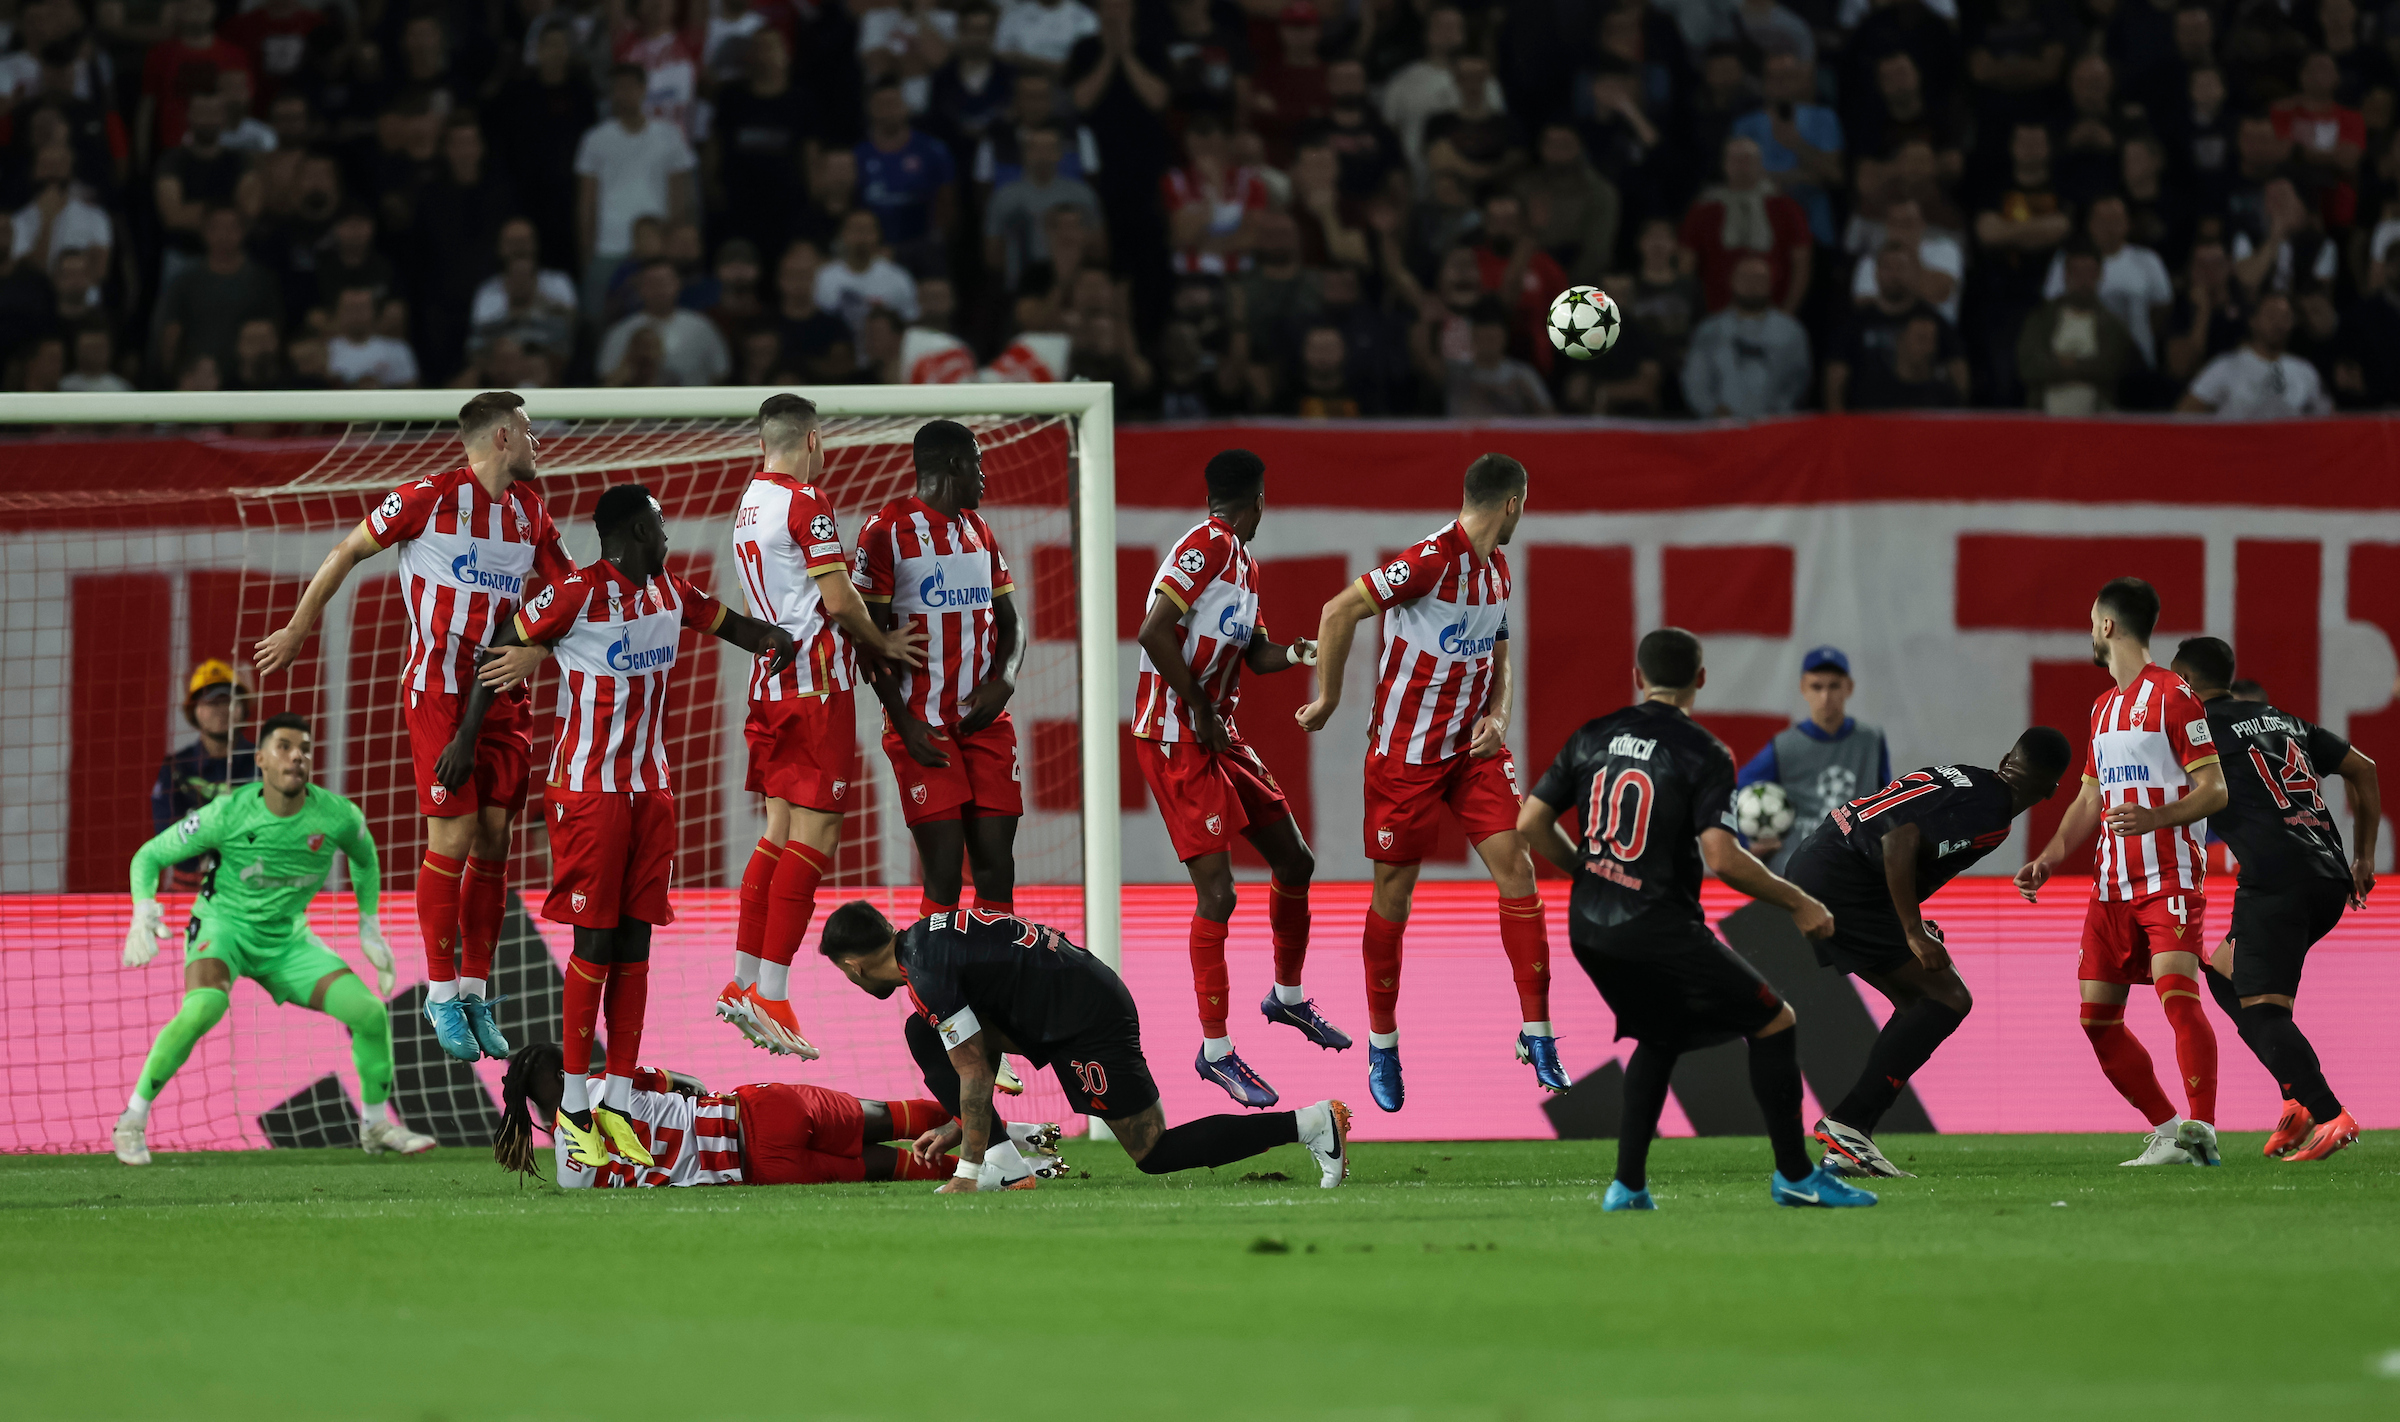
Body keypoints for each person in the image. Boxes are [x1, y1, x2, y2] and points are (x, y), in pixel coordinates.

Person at [444, 484, 794, 1170]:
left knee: (635, 943)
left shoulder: (671, 592)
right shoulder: (575, 593)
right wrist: (464, 739)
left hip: (650, 794)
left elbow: (730, 625)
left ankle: (620, 1101)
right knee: (596, 941)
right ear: (636, 531)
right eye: (660, 526)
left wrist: (774, 638)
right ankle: (575, 1105)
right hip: (588, 794)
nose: (668, 538)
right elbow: (499, 651)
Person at [255, 392, 577, 1065]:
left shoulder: (531, 513)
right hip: (437, 694)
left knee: (495, 837)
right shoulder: (424, 498)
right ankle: (437, 990)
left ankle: (475, 990)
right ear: (498, 438)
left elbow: (573, 597)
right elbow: (346, 551)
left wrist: (540, 651)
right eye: (525, 431)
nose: (535, 442)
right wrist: (297, 626)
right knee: (453, 834)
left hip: (504, 696)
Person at [1515, 628, 1875, 1212]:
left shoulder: (1592, 736)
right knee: (1775, 1021)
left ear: (1638, 678)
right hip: (1657, 927)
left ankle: (1627, 1187)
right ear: (1700, 680)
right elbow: (1723, 858)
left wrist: (1585, 871)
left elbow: (1530, 823)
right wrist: (1800, 902)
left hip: (1588, 929)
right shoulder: (1703, 752)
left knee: (1660, 1035)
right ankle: (1796, 1176)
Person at [1296, 454, 1562, 1110]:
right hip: (1406, 759)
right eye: (1523, 505)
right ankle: (1383, 1044)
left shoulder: (1497, 570)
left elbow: (1499, 651)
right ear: (1512, 503)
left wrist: (1499, 715)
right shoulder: (1426, 561)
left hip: (1473, 754)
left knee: (1518, 869)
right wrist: (1328, 699)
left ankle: (1537, 1032)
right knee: (1395, 898)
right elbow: (1337, 611)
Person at [818, 901, 1353, 1190]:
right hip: (1062, 1003)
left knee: (1153, 1152)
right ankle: (1006, 1163)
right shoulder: (925, 944)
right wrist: (963, 1127)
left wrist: (966, 1169)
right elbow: (986, 1027)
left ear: (852, 966)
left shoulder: (926, 974)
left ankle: (1311, 1125)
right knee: (923, 1030)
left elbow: (978, 1073)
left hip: (1086, 1019)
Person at [115, 714, 428, 1166]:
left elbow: (364, 857)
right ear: (260, 759)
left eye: (304, 748)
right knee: (205, 1007)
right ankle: (131, 1120)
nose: (296, 755)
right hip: (224, 928)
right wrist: (142, 909)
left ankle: (375, 1125)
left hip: (286, 940)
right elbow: (149, 856)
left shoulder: (337, 815)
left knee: (369, 1012)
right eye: (283, 746)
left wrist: (368, 924)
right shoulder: (227, 813)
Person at [1131, 449, 1342, 1108]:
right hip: (1176, 737)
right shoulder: (1204, 546)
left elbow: (1254, 653)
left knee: (1295, 862)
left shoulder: (1245, 566)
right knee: (1218, 896)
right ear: (1257, 499)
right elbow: (1152, 632)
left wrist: (1302, 652)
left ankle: (1285, 998)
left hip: (1219, 734)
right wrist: (1197, 706)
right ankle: (1215, 1052)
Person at [718, 394, 926, 1056]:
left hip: (769, 687)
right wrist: (885, 645)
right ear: (812, 440)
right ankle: (774, 994)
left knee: (777, 832)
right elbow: (837, 599)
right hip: (814, 688)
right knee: (817, 833)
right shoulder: (806, 500)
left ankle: (745, 982)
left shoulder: (749, 502)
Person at [1786, 729, 2073, 1177]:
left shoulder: (1964, 776)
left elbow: (1897, 830)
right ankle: (1849, 1124)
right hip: (1843, 880)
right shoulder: (1993, 812)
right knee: (1948, 998)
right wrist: (1912, 930)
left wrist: (1909, 919)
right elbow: (1897, 841)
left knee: (1920, 1002)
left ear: (2006, 757)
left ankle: (1848, 1139)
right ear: (2053, 790)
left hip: (1821, 858)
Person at [2015, 577, 2228, 1167]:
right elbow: (2089, 799)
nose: (2089, 630)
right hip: (2110, 886)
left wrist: (2155, 816)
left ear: (2107, 626)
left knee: (2178, 996)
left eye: (2091, 620)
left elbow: (2215, 790)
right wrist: (2051, 857)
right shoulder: (2102, 708)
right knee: (2097, 1020)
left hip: (2170, 878)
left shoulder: (2174, 696)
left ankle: (2202, 1126)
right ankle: (2167, 1133)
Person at [2169, 637, 2377, 1163]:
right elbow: (2365, 768)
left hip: (2275, 882)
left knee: (2261, 1010)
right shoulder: (2282, 719)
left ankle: (2329, 1113)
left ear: (2187, 683)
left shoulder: (2201, 730)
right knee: (2222, 973)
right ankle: (2298, 1098)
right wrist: (2365, 859)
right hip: (2329, 877)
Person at [491, 1042, 1059, 1189]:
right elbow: (683, 1083)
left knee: (888, 1168)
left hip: (757, 1167)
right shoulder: (604, 1083)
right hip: (762, 1107)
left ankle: (1008, 1174)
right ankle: (1014, 1139)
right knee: (891, 1116)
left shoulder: (571, 1170)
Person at [1736, 647, 1893, 873]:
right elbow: (1737, 789)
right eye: (1817, 687)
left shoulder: (1871, 741)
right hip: (1798, 864)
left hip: (1856, 863)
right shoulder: (1785, 746)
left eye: (1834, 686)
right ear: (1803, 688)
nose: (1825, 697)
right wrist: (1746, 842)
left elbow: (1886, 800)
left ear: (1849, 687)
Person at [150, 659, 257, 891]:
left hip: (256, 888)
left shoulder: (265, 763)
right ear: (194, 711)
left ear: (243, 707)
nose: (221, 710)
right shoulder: (176, 768)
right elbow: (167, 837)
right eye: (211, 702)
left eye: (228, 700)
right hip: (189, 891)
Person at [2179, 295, 2332, 417]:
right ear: (2253, 321)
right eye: (2271, 315)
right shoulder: (2226, 366)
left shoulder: (2305, 371)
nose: (2278, 323)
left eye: (2285, 317)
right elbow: (2183, 415)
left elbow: (2329, 419)